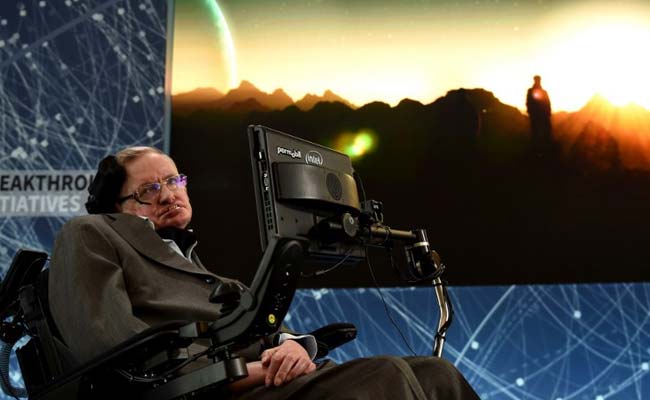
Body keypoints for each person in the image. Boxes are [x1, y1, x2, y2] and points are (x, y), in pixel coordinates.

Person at [48, 146, 480, 399]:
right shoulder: (90, 232)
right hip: (205, 392)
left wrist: (295, 347)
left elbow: (271, 331)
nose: (168, 194)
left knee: (436, 374)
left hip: (262, 380)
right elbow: (113, 355)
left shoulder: (205, 274)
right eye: (149, 189)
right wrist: (241, 372)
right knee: (385, 377)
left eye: (175, 181)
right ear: (116, 206)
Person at [526, 75, 552, 154]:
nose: (538, 81)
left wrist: (548, 112)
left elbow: (547, 103)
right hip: (537, 115)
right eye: (537, 80)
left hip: (541, 115)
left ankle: (543, 148)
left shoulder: (542, 92)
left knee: (542, 131)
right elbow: (529, 102)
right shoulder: (532, 91)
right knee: (536, 132)